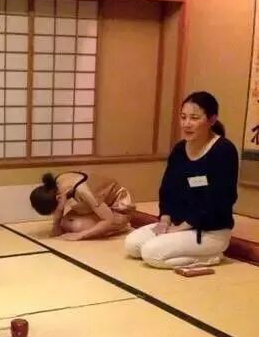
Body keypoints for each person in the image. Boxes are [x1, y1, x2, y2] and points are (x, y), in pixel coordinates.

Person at [124, 91, 239, 269]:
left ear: (212, 120)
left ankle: (211, 257)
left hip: (208, 231)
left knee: (151, 254)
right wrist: (165, 220)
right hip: (177, 224)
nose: (187, 124)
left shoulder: (223, 150)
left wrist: (181, 228)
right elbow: (167, 189)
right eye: (183, 117)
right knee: (132, 245)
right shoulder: (179, 149)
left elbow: (219, 199)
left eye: (194, 118)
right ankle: (176, 245)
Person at [30, 171, 135, 240]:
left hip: (119, 207)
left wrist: (81, 235)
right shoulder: (56, 185)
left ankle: (122, 226)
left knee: (78, 226)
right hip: (101, 204)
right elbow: (59, 211)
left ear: (58, 198)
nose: (55, 213)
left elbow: (108, 220)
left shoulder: (85, 192)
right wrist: (56, 227)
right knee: (66, 223)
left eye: (54, 211)